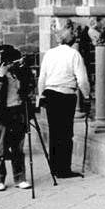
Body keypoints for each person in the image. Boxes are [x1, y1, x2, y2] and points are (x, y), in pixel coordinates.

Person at [37, 29, 90, 178]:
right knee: (66, 133)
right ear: (73, 41)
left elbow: (42, 77)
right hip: (65, 95)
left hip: (50, 94)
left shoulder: (49, 53)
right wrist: (86, 95)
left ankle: (55, 167)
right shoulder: (74, 54)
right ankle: (64, 169)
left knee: (54, 132)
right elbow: (82, 79)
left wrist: (40, 95)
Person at [0, 45, 33, 191]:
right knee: (1, 148)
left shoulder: (17, 71)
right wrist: (1, 77)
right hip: (2, 113)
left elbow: (27, 88)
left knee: (18, 148)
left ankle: (20, 178)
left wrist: (24, 71)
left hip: (18, 111)